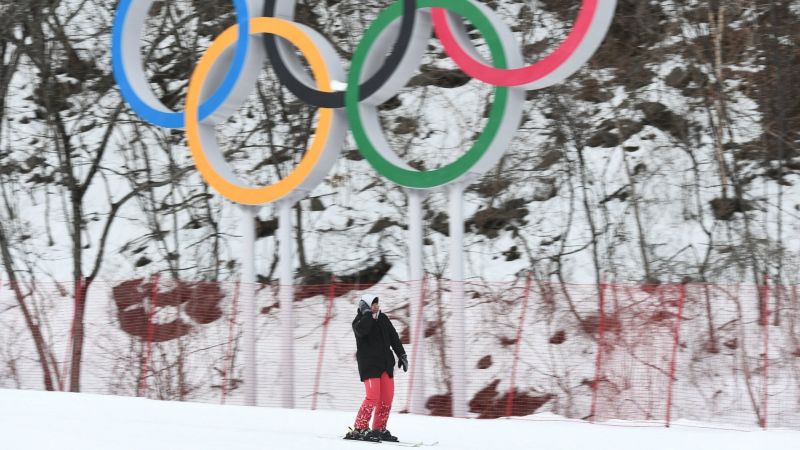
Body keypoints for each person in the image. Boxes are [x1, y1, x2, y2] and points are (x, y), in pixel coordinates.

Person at [344, 294, 408, 442]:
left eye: (377, 303)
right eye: (373, 304)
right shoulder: (359, 321)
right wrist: (367, 314)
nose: (376, 306)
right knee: (372, 396)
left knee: (387, 397)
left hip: (385, 364)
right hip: (370, 365)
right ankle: (360, 428)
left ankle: (379, 428)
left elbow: (393, 337)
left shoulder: (383, 318)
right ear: (365, 306)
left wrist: (402, 354)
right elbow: (362, 331)